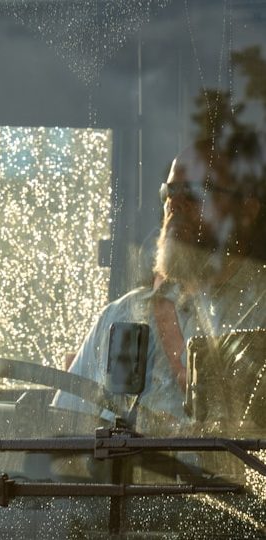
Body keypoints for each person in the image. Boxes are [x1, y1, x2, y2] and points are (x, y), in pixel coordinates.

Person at [54, 134, 266, 433]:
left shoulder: (260, 311)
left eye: (194, 192)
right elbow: (63, 439)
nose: (174, 204)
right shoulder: (121, 316)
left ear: (246, 209)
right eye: (169, 192)